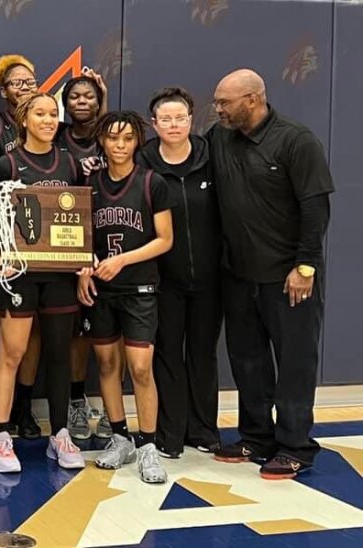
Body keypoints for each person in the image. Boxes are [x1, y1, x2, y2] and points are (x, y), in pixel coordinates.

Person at [208, 69, 333, 479]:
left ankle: (295, 445)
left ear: (253, 100)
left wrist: (306, 266)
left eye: (225, 102)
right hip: (239, 276)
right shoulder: (219, 137)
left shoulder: (297, 141)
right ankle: (256, 436)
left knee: (295, 362)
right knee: (247, 361)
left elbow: (315, 209)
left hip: (289, 277)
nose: (219, 109)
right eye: (217, 102)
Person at [0, 93, 86, 473]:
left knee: (59, 356)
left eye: (53, 114)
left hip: (59, 274)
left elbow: (80, 219)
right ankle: (2, 436)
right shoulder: (6, 164)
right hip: (18, 274)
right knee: (12, 353)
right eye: (39, 114)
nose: (48, 120)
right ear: (24, 119)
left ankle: (60, 435)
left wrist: (83, 262)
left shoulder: (70, 164)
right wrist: (2, 251)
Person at [78, 111, 176, 484]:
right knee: (106, 366)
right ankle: (120, 438)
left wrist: (121, 260)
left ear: (138, 142)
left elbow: (165, 239)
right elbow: (79, 236)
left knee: (139, 368)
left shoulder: (153, 182)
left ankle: (148, 445)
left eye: (128, 139)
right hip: (101, 290)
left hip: (139, 289)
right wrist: (86, 269)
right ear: (102, 141)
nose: (120, 146)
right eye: (113, 138)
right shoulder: (89, 183)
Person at [138, 88, 222, 459]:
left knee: (203, 353)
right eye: (166, 119)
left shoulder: (212, 156)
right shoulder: (143, 163)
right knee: (168, 353)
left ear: (191, 119)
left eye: (181, 117)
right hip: (163, 279)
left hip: (211, 276)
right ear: (154, 124)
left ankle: (203, 430)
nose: (174, 124)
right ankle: (170, 434)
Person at [0, 53, 42, 439]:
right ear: (3, 91)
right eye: (17, 83)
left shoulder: (52, 126)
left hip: (42, 243)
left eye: (30, 82)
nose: (24, 88)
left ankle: (24, 405)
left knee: (32, 331)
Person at [56, 72, 115, 441]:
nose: (82, 101)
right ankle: (76, 400)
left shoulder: (111, 137)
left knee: (113, 331)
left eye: (89, 97)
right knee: (77, 329)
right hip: (66, 238)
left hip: (109, 235)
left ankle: (112, 409)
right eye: (75, 96)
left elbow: (108, 122)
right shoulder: (58, 137)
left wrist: (105, 94)